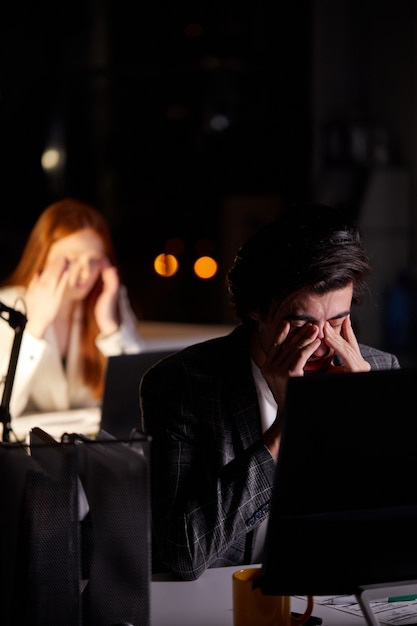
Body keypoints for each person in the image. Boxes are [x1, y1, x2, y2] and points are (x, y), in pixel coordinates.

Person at [140, 202, 400, 581]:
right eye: (300, 324)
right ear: (255, 310)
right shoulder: (182, 385)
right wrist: (285, 432)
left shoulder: (378, 372)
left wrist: (358, 417)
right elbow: (184, 553)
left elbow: (390, 541)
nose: (322, 343)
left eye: (338, 321)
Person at [0, 197, 144, 418]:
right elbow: (4, 409)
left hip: (90, 447)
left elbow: (140, 396)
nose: (85, 274)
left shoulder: (109, 300)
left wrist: (110, 328)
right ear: (42, 255)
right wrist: (35, 327)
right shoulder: (8, 307)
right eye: (70, 260)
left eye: (94, 260)